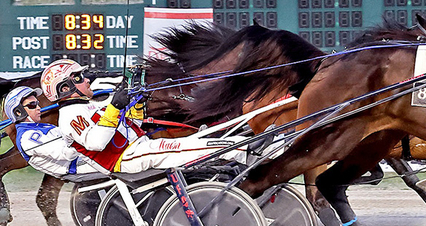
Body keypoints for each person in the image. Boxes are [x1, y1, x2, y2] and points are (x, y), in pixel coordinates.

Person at [39, 59, 250, 174]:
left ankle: (244, 147)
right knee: (189, 148)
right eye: (79, 78)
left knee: (199, 140)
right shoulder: (69, 117)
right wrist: (114, 106)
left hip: (137, 147)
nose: (86, 80)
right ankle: (248, 152)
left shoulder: (88, 106)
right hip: (126, 159)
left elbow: (130, 125)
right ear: (65, 88)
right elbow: (97, 142)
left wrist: (136, 105)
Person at [6, 86, 98, 178]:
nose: (39, 108)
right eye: (32, 105)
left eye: (37, 103)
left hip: (86, 159)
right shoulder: (27, 137)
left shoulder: (41, 127)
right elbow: (66, 154)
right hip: (80, 166)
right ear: (18, 112)